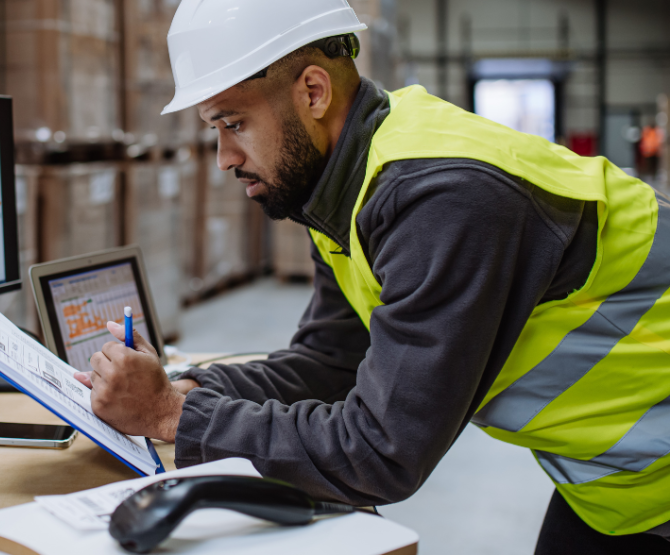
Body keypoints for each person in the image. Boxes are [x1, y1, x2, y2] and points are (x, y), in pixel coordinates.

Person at [71, 1, 670, 553]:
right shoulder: (347, 184)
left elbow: (382, 450)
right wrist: (194, 391)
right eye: (215, 130)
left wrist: (171, 419)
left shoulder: (443, 198)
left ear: (312, 91)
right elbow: (332, 363)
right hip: (616, 486)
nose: (225, 156)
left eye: (234, 123)